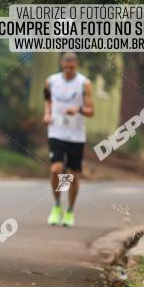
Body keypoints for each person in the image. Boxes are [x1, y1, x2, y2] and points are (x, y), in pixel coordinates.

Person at [43, 52, 94, 227]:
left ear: (77, 65)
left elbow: (90, 110)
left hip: (76, 135)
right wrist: (47, 114)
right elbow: (47, 100)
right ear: (61, 64)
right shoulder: (51, 81)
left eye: (72, 67)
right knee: (56, 169)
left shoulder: (84, 84)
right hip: (56, 131)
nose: (69, 70)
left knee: (72, 174)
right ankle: (57, 206)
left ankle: (70, 210)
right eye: (66, 67)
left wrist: (78, 109)